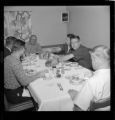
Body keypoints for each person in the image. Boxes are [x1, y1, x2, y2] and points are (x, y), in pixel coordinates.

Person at [68, 45, 110, 111]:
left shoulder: (92, 81)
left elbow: (78, 109)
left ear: (95, 59)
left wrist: (75, 97)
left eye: (91, 59)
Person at [4, 39, 45, 104]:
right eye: (24, 48)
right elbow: (24, 82)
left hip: (8, 91)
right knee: (39, 97)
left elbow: (17, 74)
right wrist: (38, 75)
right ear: (22, 49)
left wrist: (26, 73)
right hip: (14, 94)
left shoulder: (8, 57)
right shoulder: (15, 62)